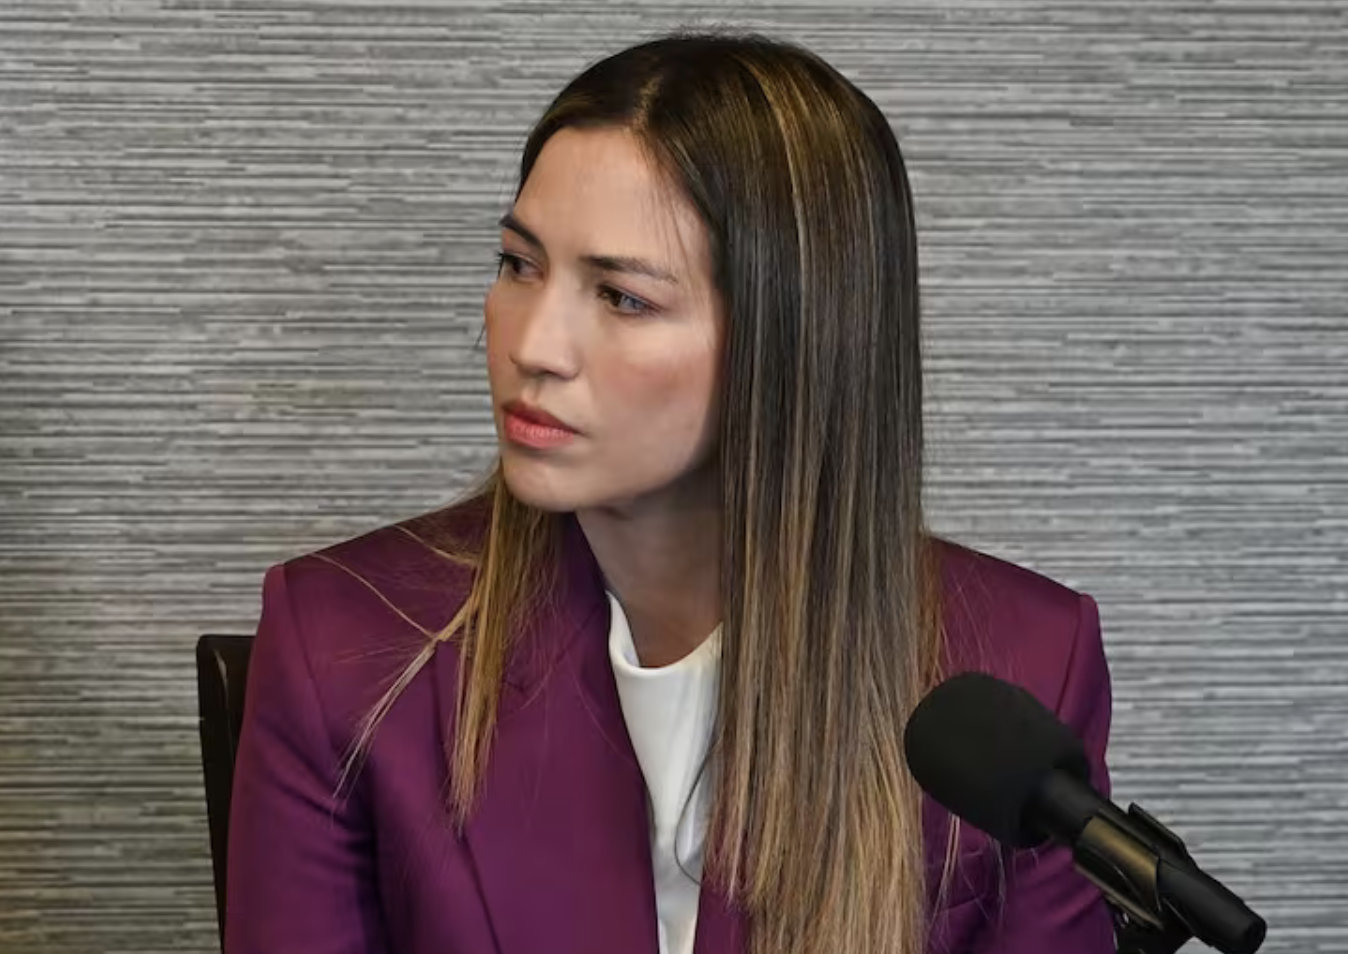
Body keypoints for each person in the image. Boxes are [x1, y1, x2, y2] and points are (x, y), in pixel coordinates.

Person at [224, 28, 1116, 954]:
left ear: (793, 341)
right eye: (519, 264)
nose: (533, 346)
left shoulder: (1020, 669)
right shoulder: (345, 642)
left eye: (622, 297)